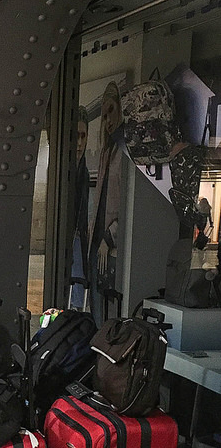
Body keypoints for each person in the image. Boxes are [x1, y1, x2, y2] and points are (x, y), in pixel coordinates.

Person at [88, 81, 123, 325]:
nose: (107, 119)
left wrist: (109, 236)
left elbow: (128, 205)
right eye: (103, 115)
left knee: (109, 305)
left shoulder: (123, 151)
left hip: (109, 242)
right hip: (98, 240)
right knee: (97, 302)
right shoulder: (107, 152)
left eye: (111, 110)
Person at [70, 106, 91, 310]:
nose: (79, 143)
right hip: (68, 233)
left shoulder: (82, 170)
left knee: (78, 276)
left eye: (82, 136)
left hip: (78, 233)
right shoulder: (64, 169)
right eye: (75, 136)